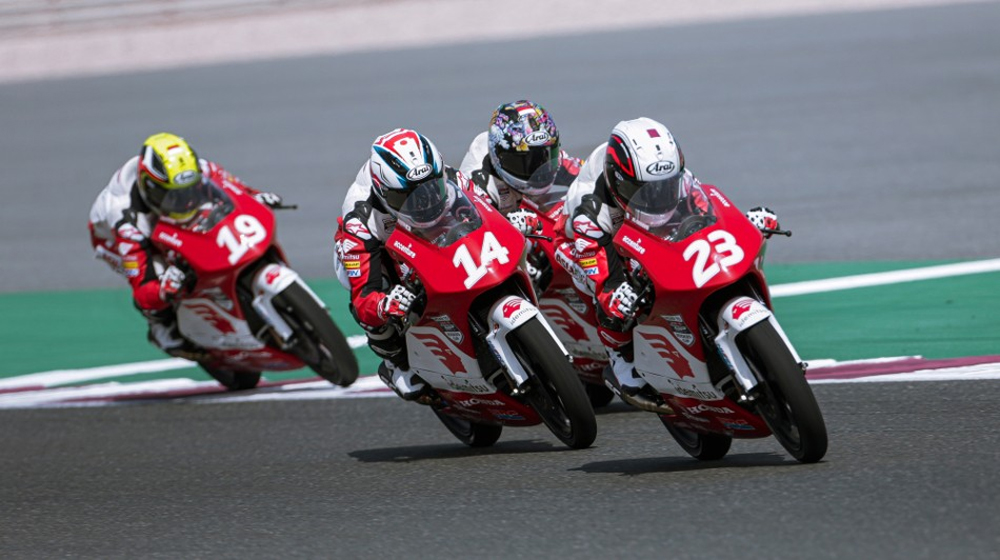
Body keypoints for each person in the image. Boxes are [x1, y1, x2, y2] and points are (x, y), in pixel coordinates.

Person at [561, 117, 780, 410]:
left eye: (664, 187)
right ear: (619, 182)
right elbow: (594, 265)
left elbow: (708, 210)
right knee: (612, 300)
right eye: (644, 190)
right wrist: (613, 292)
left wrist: (745, 223)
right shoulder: (590, 212)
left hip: (635, 222)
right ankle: (620, 360)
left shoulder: (675, 177)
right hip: (586, 244)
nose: (656, 198)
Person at [88, 132, 284, 361]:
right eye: (172, 196)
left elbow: (234, 188)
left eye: (188, 191)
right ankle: (163, 330)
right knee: (161, 273)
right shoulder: (124, 218)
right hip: (109, 242)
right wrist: (163, 289)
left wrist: (256, 196)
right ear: (150, 186)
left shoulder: (196, 169)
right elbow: (142, 285)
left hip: (156, 213)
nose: (182, 201)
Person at [333, 128, 469, 402]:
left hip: (424, 234)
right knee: (373, 307)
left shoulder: (449, 176)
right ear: (383, 192)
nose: (422, 204)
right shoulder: (360, 220)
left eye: (431, 189)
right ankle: (397, 365)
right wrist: (384, 304)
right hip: (382, 251)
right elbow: (364, 299)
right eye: (404, 197)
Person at [459, 100, 584, 290]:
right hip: (493, 245)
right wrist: (507, 225)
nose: (538, 170)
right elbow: (467, 235)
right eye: (525, 163)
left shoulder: (550, 154)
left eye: (542, 158)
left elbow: (586, 175)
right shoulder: (480, 179)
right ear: (499, 157)